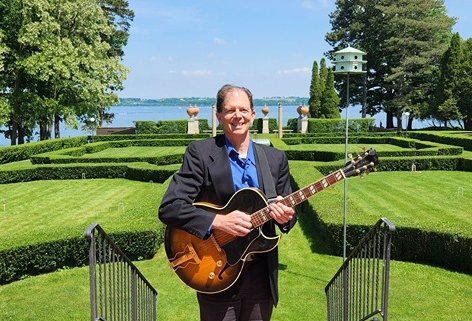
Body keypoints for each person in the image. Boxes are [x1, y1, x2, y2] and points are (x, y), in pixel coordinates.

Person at [158, 84, 297, 321]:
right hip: (216, 269)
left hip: (261, 275)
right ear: (219, 116)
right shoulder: (201, 153)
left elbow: (289, 215)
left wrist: (287, 217)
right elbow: (170, 207)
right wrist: (218, 221)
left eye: (243, 109)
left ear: (253, 114)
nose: (237, 116)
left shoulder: (275, 159)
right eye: (230, 110)